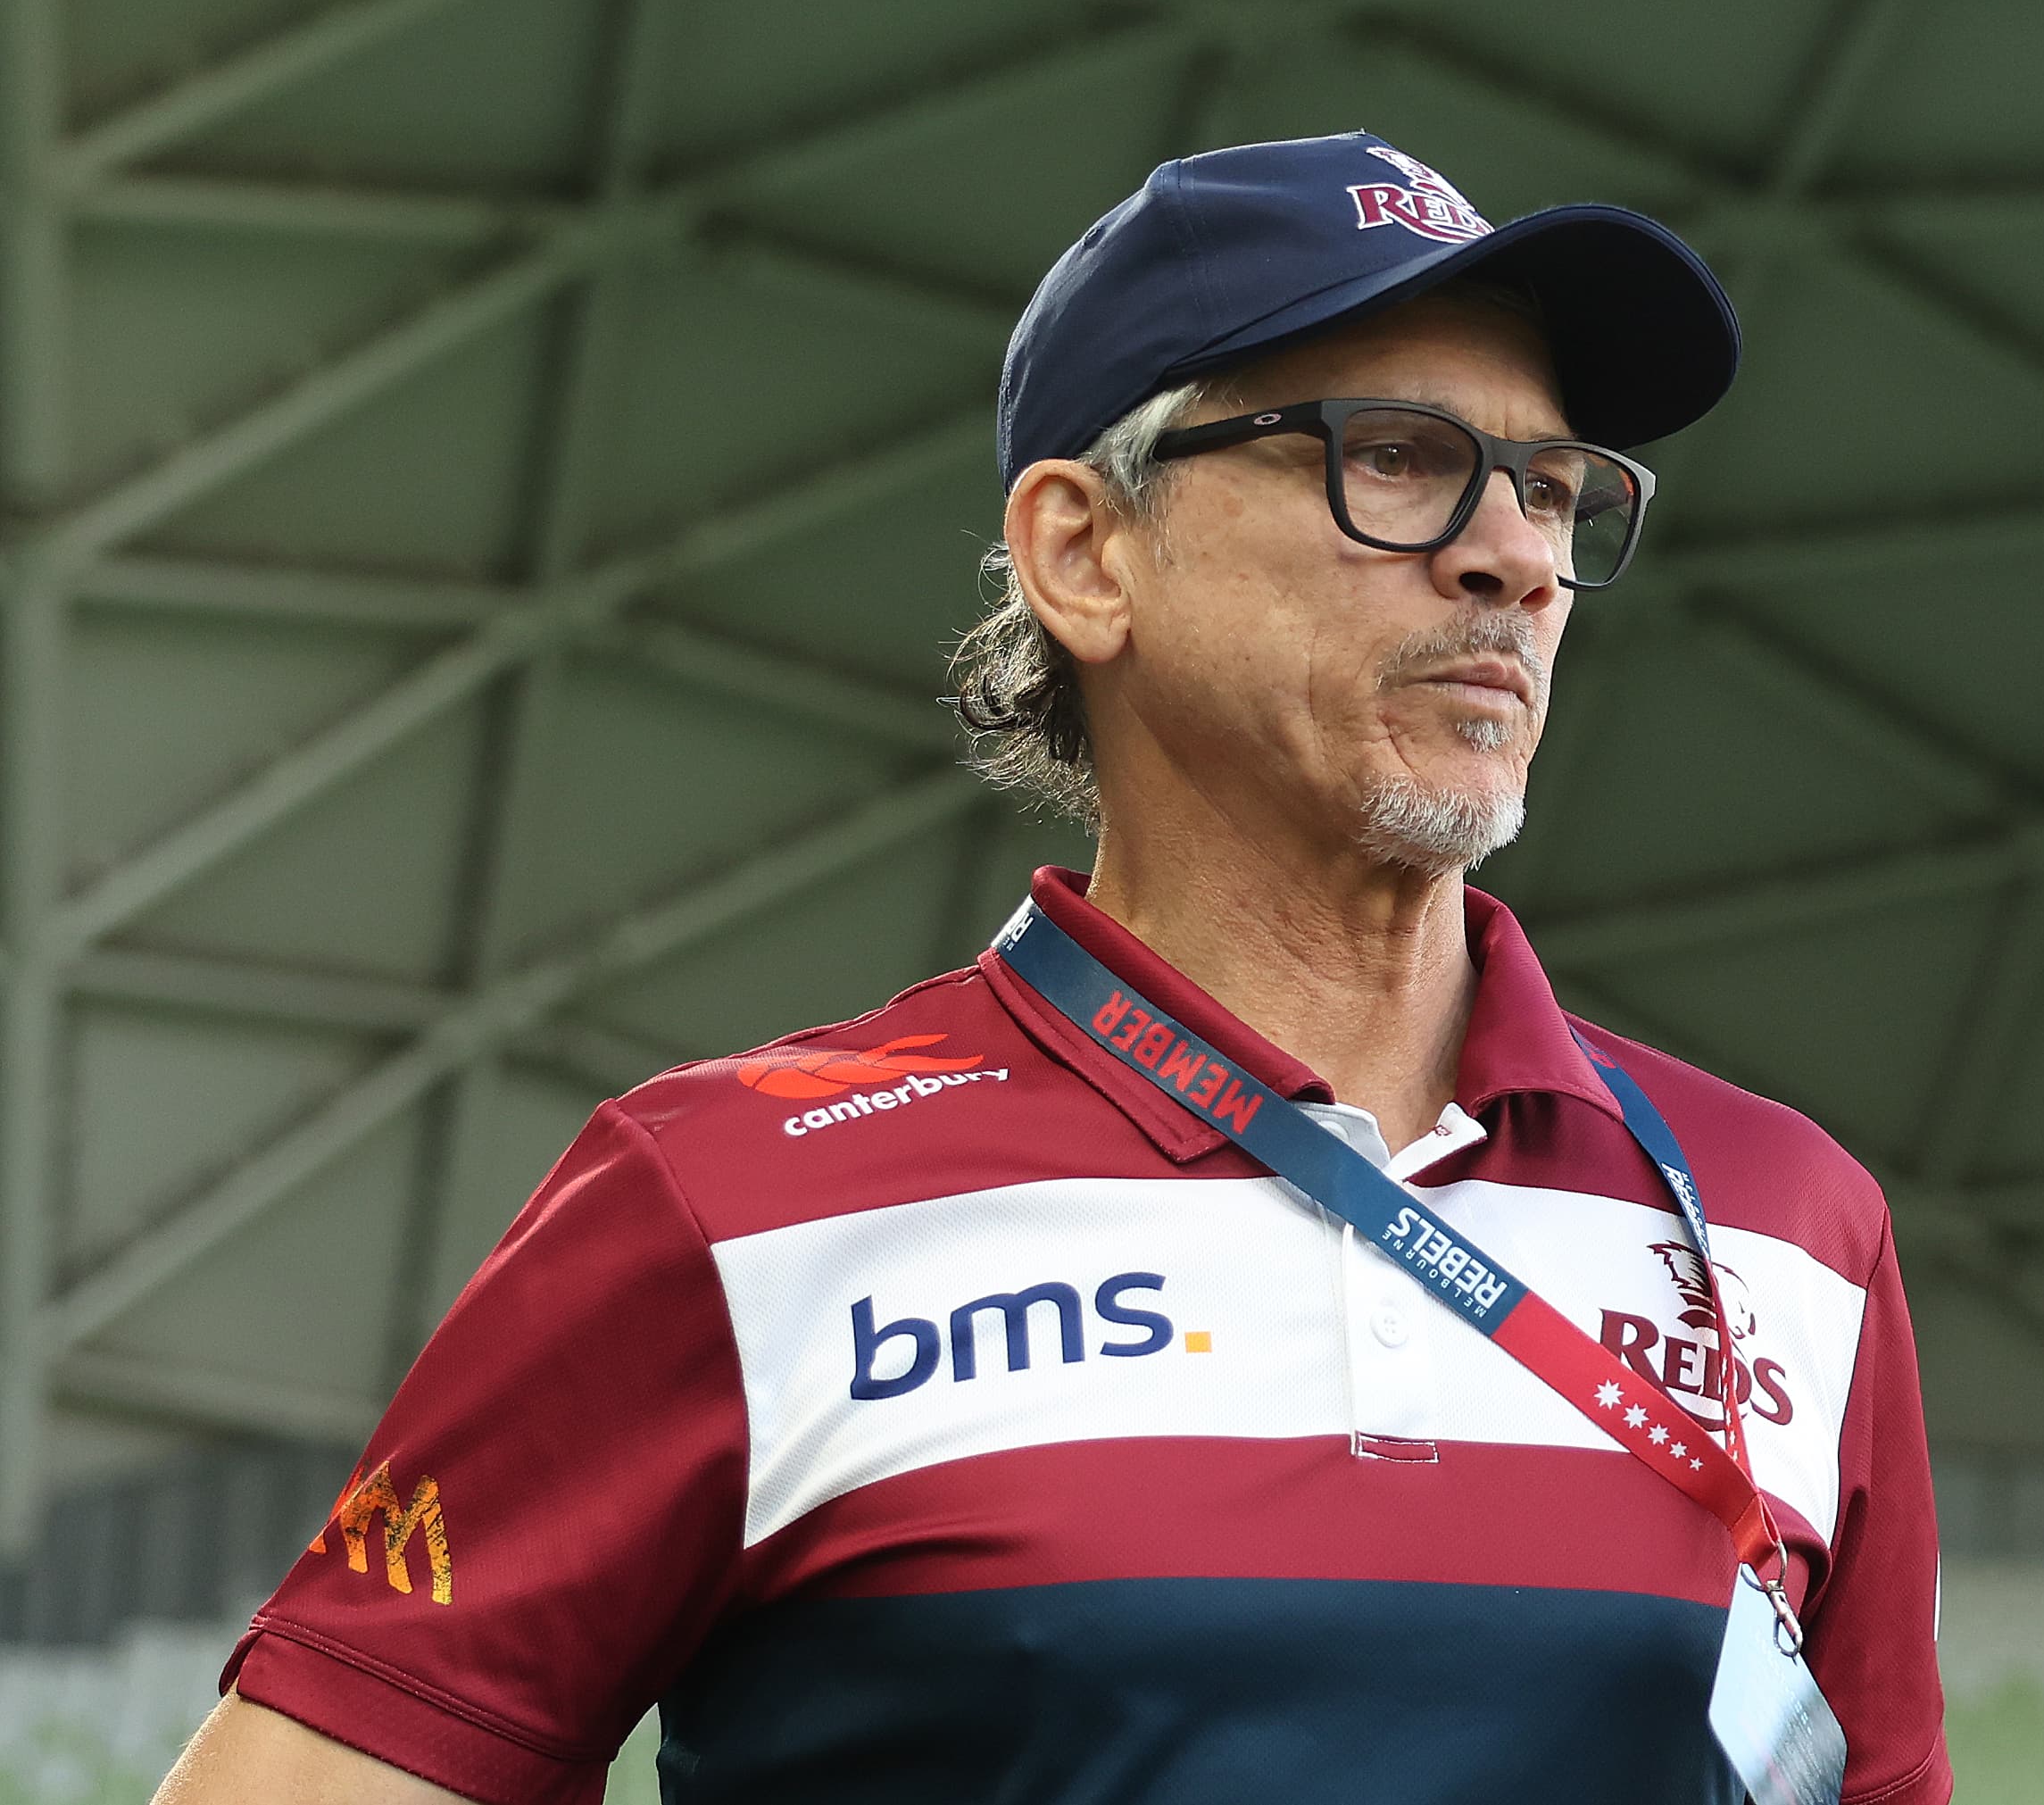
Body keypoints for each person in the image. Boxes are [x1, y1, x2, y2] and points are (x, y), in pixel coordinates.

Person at [156, 131, 1950, 1805]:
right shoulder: (721, 1203)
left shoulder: (1789, 1223)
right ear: (1085, 554)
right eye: (1396, 459)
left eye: (1555, 489)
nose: (1513, 555)